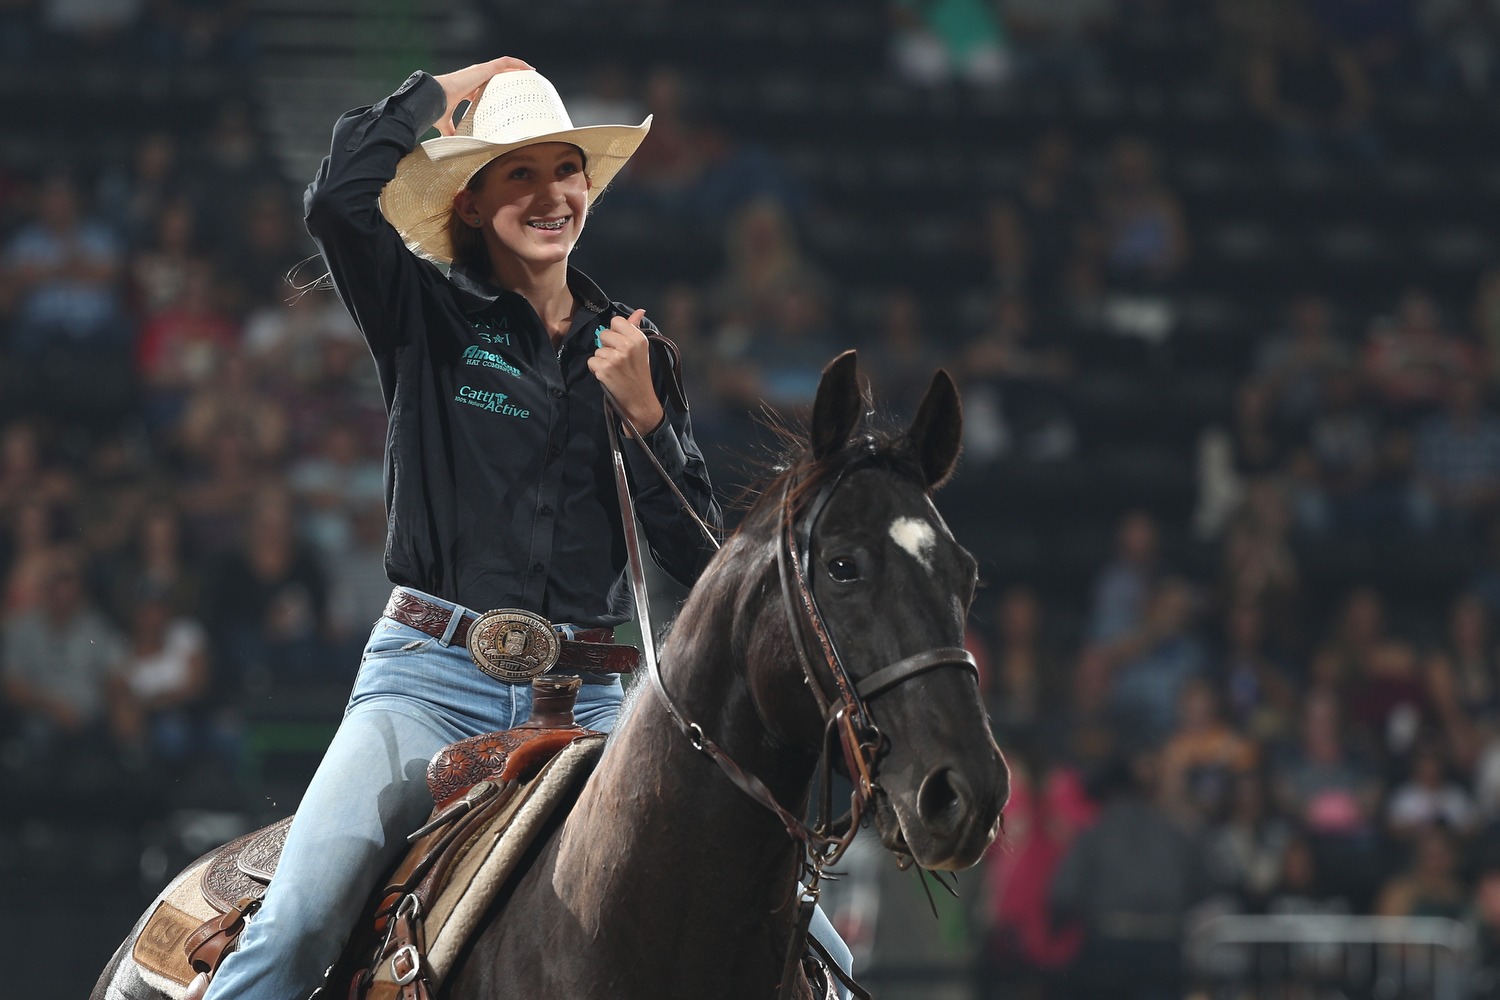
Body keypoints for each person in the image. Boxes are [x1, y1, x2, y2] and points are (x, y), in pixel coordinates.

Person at [199, 57, 852, 1000]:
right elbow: (340, 200)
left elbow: (705, 559)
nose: (551, 195)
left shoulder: (635, 351)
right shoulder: (425, 312)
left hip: (598, 700)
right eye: (519, 173)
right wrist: (440, 88)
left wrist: (651, 421)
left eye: (566, 172)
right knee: (297, 925)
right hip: (429, 683)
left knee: (823, 948)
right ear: (468, 202)